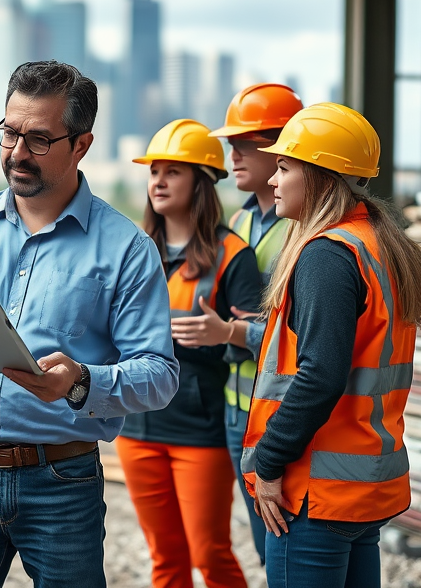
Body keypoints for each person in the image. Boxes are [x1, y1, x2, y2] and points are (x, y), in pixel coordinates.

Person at [0, 61, 180, 588]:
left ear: (81, 145)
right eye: (9, 133)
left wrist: (81, 382)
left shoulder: (127, 250)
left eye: (39, 140)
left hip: (63, 484)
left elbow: (159, 375)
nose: (17, 152)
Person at [241, 103, 421, 588]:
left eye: (285, 168)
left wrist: (267, 462)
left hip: (315, 493)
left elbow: (320, 376)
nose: (273, 179)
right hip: (361, 489)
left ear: (319, 177)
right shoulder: (377, 244)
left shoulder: (327, 256)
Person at [116, 119, 262, 588]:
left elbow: (264, 342)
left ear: (202, 181)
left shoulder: (233, 256)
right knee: (165, 558)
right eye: (154, 171)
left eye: (172, 172)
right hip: (136, 429)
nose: (157, 181)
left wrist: (224, 334)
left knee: (210, 554)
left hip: (199, 431)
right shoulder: (134, 252)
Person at [208, 82, 304, 564]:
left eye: (243, 143)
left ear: (280, 144)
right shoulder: (240, 224)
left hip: (284, 406)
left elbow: (302, 334)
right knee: (266, 546)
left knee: (288, 542)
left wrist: (233, 331)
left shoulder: (304, 229)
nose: (233, 154)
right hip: (236, 403)